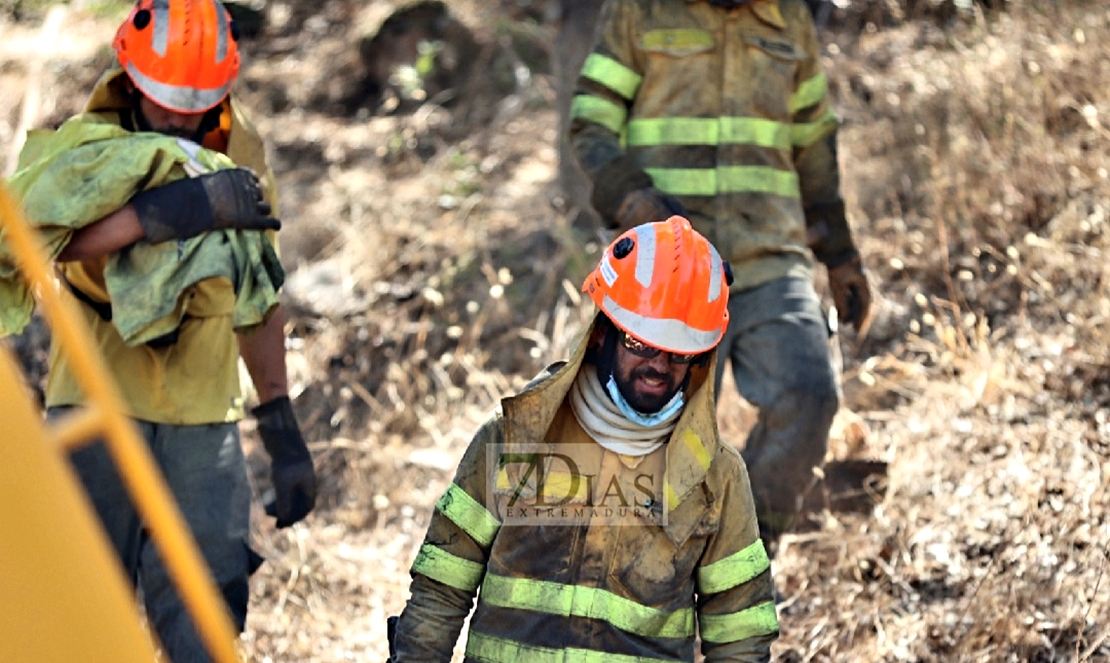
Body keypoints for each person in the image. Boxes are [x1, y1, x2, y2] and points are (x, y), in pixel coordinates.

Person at [2, 1, 317, 660]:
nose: (180, 114)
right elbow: (42, 243)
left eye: (196, 102)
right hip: (93, 404)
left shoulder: (240, 151)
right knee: (80, 609)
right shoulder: (86, 150)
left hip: (203, 418)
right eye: (167, 99)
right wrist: (158, 214)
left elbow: (260, 287)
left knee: (207, 611)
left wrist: (280, 422)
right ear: (131, 78)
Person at [389, 216, 778, 662]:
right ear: (600, 335)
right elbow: (441, 588)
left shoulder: (717, 477)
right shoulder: (516, 439)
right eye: (639, 342)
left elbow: (740, 636)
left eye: (680, 352)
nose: (658, 365)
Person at [568, 0, 873, 554]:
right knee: (643, 431)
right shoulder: (640, 10)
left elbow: (813, 144)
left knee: (809, 396)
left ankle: (741, 555)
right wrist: (629, 196)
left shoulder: (789, 18)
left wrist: (842, 254)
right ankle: (644, 579)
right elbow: (591, 118)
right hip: (666, 272)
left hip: (769, 260)